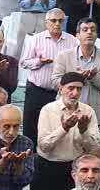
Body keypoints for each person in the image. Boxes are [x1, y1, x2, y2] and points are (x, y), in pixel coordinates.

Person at [27, 72, 99, 190]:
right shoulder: (48, 110)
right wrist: (64, 128)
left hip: (73, 170)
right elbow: (44, 146)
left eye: (79, 89)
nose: (75, 93)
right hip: (47, 168)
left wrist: (83, 131)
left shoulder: (88, 111)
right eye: (71, 88)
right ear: (61, 88)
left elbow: (94, 147)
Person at [18, 9, 76, 141]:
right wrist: (40, 62)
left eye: (60, 21)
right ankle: (30, 152)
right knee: (31, 128)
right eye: (53, 20)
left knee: (55, 128)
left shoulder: (72, 41)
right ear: (46, 22)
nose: (57, 24)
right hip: (36, 91)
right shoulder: (36, 39)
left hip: (59, 94)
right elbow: (24, 62)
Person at [53, 18, 100, 118]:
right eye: (85, 30)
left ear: (96, 35)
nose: (89, 32)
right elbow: (55, 82)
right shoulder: (63, 56)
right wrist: (75, 77)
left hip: (91, 113)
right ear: (77, 35)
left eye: (93, 30)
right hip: (65, 111)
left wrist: (94, 77)